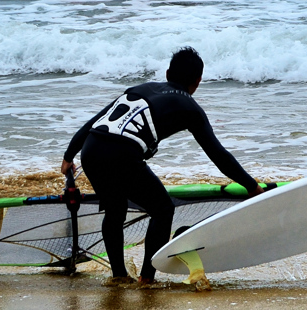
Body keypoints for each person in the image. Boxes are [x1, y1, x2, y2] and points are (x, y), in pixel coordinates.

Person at [61, 47, 263, 286]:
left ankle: (118, 276)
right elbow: (218, 155)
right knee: (163, 209)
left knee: (115, 209)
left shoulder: (139, 89)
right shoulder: (191, 108)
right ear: (197, 81)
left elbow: (95, 122)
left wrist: (68, 156)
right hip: (122, 153)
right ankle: (146, 278)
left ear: (168, 73)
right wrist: (251, 186)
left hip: (91, 150)